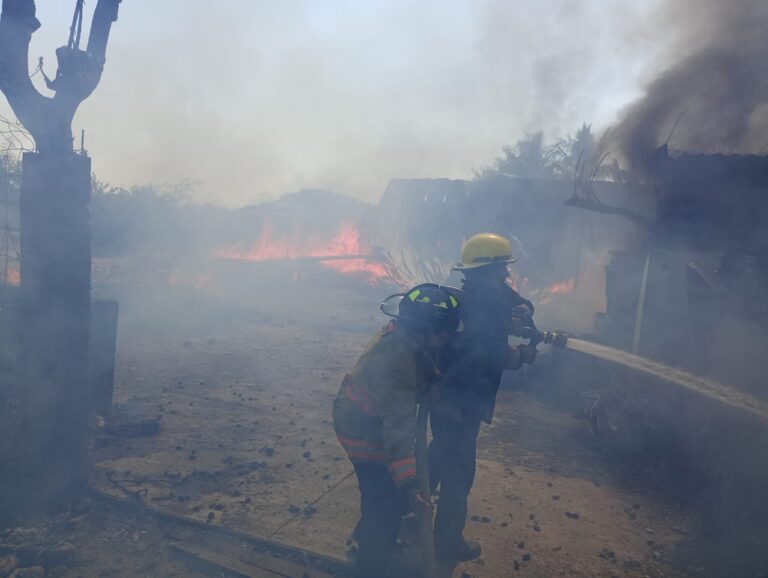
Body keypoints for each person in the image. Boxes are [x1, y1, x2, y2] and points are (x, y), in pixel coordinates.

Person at [332, 283, 461, 578]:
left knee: (386, 499)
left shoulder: (405, 333)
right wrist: (411, 486)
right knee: (384, 507)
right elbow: (398, 434)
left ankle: (373, 544)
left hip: (374, 420)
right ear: (423, 331)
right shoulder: (399, 367)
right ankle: (370, 566)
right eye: (442, 333)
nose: (446, 339)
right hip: (363, 432)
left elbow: (422, 365)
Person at [429, 233, 537, 561]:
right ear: (489, 270)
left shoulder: (482, 295)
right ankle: (446, 545)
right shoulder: (479, 310)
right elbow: (491, 354)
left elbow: (514, 300)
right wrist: (522, 356)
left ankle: (400, 516)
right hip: (459, 401)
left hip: (451, 398)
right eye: (502, 268)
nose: (506, 274)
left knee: (436, 459)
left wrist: (523, 308)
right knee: (458, 474)